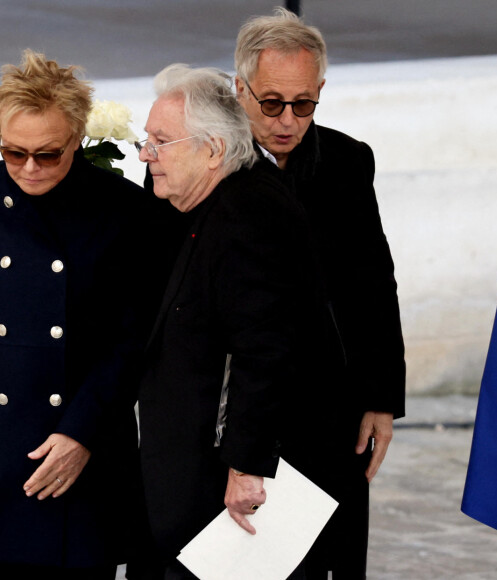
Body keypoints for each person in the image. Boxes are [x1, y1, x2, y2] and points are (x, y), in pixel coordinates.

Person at [234, 8, 406, 579]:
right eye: (272, 102)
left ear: (321, 92)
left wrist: (381, 397)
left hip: (331, 409)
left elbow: (373, 283)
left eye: (303, 104)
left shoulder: (347, 162)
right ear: (240, 90)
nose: (287, 119)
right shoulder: (203, 163)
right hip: (237, 412)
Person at [133, 65, 313, 579]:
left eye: (161, 142)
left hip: (230, 498)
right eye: (147, 139)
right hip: (191, 488)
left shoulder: (248, 217)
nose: (147, 155)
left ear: (212, 149)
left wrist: (247, 469)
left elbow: (266, 351)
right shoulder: (212, 200)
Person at [0, 50, 173, 579]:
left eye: (48, 154)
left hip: (79, 454)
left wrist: (81, 433)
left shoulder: (124, 210)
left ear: (77, 139)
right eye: (12, 153)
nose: (29, 168)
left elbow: (135, 336)